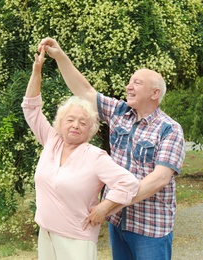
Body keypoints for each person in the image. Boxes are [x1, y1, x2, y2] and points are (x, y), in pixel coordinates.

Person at [38, 37, 186, 260]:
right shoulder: (120, 113)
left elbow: (160, 179)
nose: (129, 86)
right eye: (129, 81)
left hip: (150, 226)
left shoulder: (170, 130)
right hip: (118, 223)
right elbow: (85, 91)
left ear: (155, 93)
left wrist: (109, 204)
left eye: (137, 82)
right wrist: (59, 55)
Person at [22, 46, 140, 260]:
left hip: (77, 239)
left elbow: (128, 183)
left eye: (82, 122)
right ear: (60, 123)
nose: (75, 125)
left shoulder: (94, 156)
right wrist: (36, 71)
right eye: (70, 120)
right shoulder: (52, 141)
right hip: (46, 234)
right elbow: (31, 109)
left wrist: (104, 207)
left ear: (90, 130)